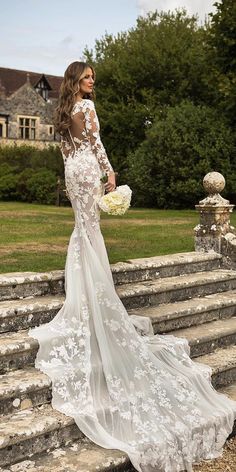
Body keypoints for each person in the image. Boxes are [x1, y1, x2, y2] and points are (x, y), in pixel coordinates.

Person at [29, 61, 236, 472]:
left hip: (72, 172)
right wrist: (110, 172)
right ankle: (93, 294)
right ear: (76, 80)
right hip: (87, 171)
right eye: (87, 77)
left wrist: (88, 166)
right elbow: (95, 144)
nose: (92, 83)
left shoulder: (63, 109)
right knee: (91, 232)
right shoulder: (85, 108)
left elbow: (70, 149)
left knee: (83, 231)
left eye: (93, 79)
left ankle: (87, 291)